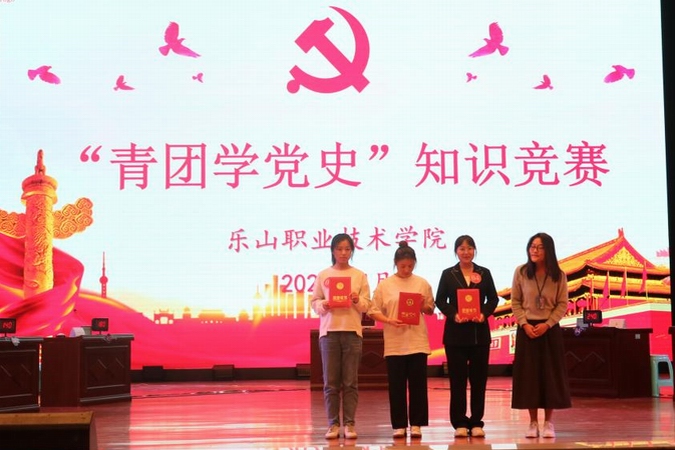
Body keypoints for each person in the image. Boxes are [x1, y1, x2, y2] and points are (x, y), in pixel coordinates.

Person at [367, 241, 435, 439]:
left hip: (417, 340)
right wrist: (389, 320)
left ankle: (417, 424)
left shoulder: (422, 283)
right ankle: (399, 425)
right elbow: (373, 310)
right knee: (396, 386)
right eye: (403, 266)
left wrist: (422, 306)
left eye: (410, 266)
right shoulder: (385, 285)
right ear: (395, 263)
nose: (406, 270)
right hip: (395, 341)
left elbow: (430, 309)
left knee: (418, 385)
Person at [435, 235, 499, 438]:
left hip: (479, 334)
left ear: (474, 250)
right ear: (456, 251)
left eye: (469, 248)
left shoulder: (484, 273)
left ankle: (477, 422)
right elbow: (440, 300)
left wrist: (484, 314)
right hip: (455, 335)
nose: (466, 252)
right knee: (458, 382)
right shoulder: (448, 274)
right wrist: (454, 314)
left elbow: (493, 299)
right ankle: (460, 422)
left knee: (479, 381)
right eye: (462, 248)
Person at [510, 232, 571, 439]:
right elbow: (515, 301)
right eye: (532, 246)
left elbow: (562, 304)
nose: (534, 250)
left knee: (550, 377)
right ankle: (533, 422)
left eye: (539, 247)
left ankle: (549, 423)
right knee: (529, 377)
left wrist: (548, 324)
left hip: (549, 330)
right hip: (527, 329)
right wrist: (524, 324)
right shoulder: (521, 272)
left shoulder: (558, 275)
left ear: (549, 250)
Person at [310, 233, 371, 440]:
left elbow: (366, 305)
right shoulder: (324, 275)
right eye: (339, 249)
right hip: (329, 333)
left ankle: (350, 424)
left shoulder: (359, 275)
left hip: (352, 332)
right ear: (333, 251)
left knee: (350, 382)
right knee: (331, 383)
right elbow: (314, 302)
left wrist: (356, 300)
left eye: (347, 249)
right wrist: (323, 304)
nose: (343, 253)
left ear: (352, 251)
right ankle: (333, 424)